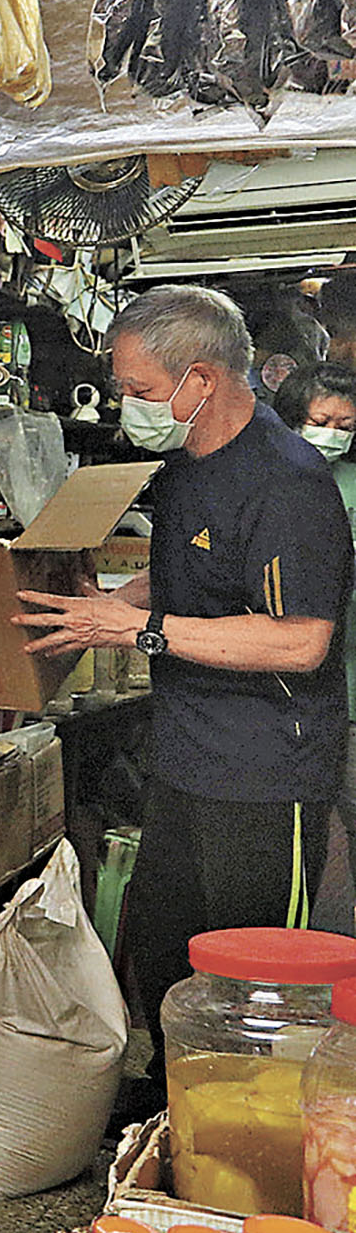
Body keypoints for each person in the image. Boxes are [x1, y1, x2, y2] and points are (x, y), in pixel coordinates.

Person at [15, 288, 352, 1064]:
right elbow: (186, 576)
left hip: (268, 773)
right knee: (171, 960)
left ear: (201, 381)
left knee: (254, 983)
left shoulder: (287, 482)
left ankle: (253, 1137)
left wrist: (139, 629)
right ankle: (176, 1112)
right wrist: (107, 603)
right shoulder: (188, 466)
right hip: (184, 762)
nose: (129, 404)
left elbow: (300, 641)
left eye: (141, 391)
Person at [275, 360, 356, 932]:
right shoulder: (272, 478)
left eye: (345, 424)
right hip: (286, 698)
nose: (332, 432)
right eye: (320, 419)